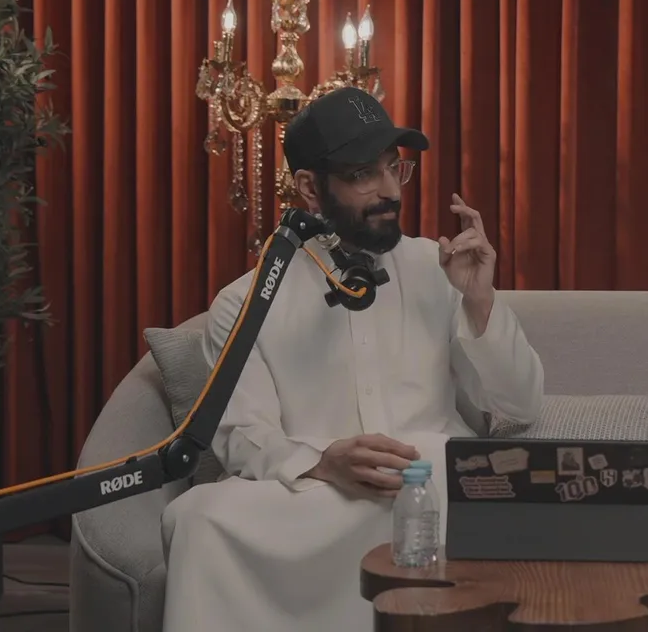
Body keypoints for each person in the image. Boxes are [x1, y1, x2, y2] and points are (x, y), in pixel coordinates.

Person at [159, 86, 545, 632]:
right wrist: (323, 462)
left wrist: (480, 301)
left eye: (393, 168)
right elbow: (242, 435)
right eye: (364, 174)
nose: (389, 190)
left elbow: (521, 406)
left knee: (466, 477)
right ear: (309, 188)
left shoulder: (441, 269)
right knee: (198, 517)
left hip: (431, 484)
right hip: (318, 498)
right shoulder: (245, 301)